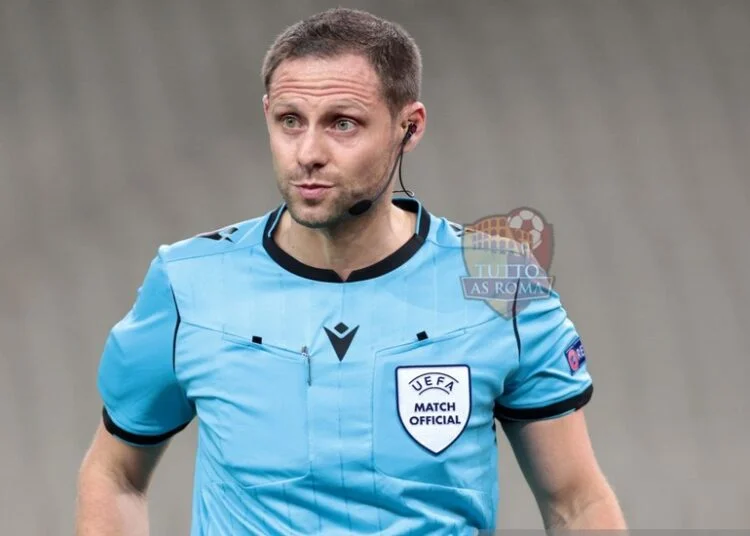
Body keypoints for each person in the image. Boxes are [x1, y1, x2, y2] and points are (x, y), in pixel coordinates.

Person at [75, 7, 627, 535]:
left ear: (408, 128)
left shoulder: (502, 288)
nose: (308, 152)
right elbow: (114, 474)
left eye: (343, 123)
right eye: (290, 121)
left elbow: (577, 502)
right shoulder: (186, 285)